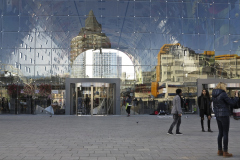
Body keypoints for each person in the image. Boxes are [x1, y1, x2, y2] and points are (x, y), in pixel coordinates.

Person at [212, 82, 239, 157]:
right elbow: (231, 103)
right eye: (226, 87)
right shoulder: (223, 94)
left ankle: (219, 150)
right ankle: (225, 152)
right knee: (225, 133)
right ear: (223, 87)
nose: (226, 88)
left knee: (220, 132)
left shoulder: (214, 95)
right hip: (224, 115)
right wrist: (236, 96)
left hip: (218, 115)